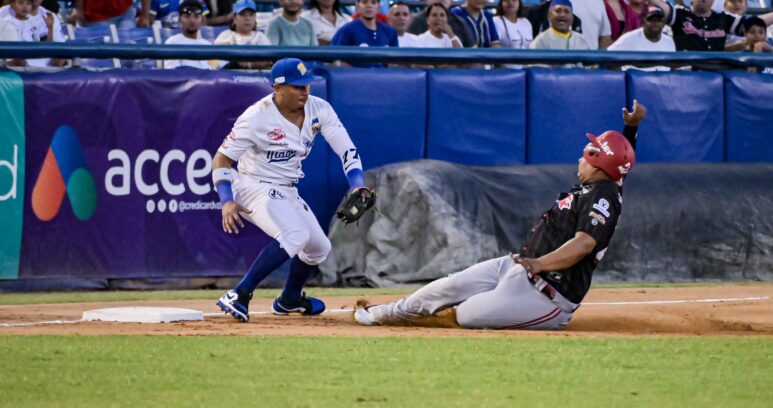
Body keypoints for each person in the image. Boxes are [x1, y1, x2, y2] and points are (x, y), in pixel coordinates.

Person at [354, 101, 646, 330]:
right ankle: (387, 314)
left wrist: (538, 263)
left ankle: (426, 321)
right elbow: (619, 165)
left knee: (467, 315)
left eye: (589, 152)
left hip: (547, 297)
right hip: (518, 268)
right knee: (449, 286)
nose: (582, 157)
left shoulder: (603, 195)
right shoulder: (601, 185)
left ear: (598, 162)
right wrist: (629, 129)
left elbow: (583, 244)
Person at [214, 58, 373, 322]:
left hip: (286, 188)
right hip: (253, 185)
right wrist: (226, 200)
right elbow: (221, 158)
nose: (305, 91)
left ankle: (289, 299)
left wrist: (356, 183)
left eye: (306, 84)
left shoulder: (319, 109)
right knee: (295, 235)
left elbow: (347, 149)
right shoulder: (256, 117)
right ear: (278, 88)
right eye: (297, 86)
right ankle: (239, 293)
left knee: (319, 247)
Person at [648, 0, 773, 51]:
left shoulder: (722, 19)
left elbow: (756, 23)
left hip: (716, 74)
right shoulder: (679, 14)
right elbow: (661, 5)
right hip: (687, 73)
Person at [332, 0, 398, 66]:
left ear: (379, 7)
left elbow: (394, 61)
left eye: (373, 2)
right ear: (357, 6)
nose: (369, 6)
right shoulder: (347, 30)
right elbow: (338, 59)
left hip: (385, 75)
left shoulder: (390, 31)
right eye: (364, 2)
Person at [214, 0, 271, 70]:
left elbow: (269, 62)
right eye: (242, 14)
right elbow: (219, 65)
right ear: (234, 18)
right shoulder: (225, 36)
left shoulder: (261, 37)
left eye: (251, 14)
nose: (247, 18)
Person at [162, 0, 212, 69]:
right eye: (187, 16)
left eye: (196, 16)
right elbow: (172, 75)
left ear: (202, 20)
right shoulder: (172, 43)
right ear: (179, 19)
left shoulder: (208, 46)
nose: (192, 20)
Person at [407, 0, 475, 48]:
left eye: (442, 15)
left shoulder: (460, 22)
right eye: (434, 15)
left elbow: (470, 52)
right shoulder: (416, 22)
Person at [608, 6, 675, 52]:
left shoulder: (669, 41)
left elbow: (673, 66)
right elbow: (607, 55)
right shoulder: (629, 38)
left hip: (662, 73)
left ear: (663, 23)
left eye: (658, 20)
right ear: (643, 21)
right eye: (651, 20)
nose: (655, 23)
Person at [69, 0, 150, 28]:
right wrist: (78, 10)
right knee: (102, 58)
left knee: (129, 48)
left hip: (125, 13)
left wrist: (145, 16)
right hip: (97, 16)